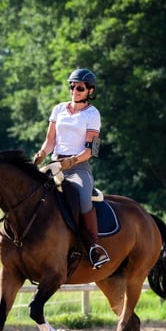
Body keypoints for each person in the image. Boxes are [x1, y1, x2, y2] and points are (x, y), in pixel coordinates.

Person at [33, 68, 110, 268]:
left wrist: (72, 161)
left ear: (90, 91)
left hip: (79, 167)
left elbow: (91, 150)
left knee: (83, 198)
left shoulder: (93, 114)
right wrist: (41, 154)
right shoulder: (58, 109)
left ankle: (94, 246)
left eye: (80, 87)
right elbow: (50, 140)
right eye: (72, 86)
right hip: (54, 164)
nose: (74, 90)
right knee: (31, 191)